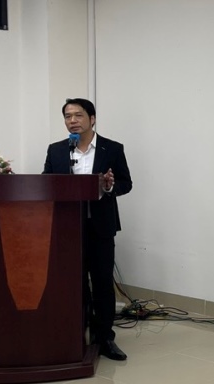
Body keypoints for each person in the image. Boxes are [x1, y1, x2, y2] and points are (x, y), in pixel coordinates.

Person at [42, 98, 133, 361]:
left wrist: (109, 186)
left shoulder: (112, 148)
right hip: (67, 229)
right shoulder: (57, 150)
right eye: (67, 116)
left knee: (102, 282)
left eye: (78, 115)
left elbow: (126, 183)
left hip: (101, 227)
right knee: (73, 282)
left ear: (92, 119)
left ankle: (104, 338)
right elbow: (47, 180)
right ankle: (75, 332)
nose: (72, 120)